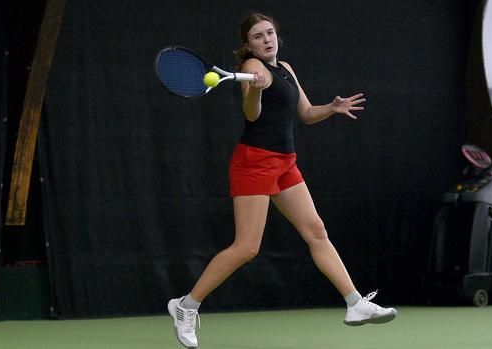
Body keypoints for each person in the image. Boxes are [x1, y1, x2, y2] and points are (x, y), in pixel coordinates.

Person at [167, 13, 397, 348]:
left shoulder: (284, 68)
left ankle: (355, 303)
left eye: (270, 33)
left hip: (284, 163)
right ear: (248, 44)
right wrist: (255, 91)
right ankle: (185, 307)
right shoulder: (252, 67)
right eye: (258, 36)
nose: (267, 39)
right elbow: (251, 114)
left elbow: (304, 113)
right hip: (254, 162)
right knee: (246, 247)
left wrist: (332, 108)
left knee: (316, 231)